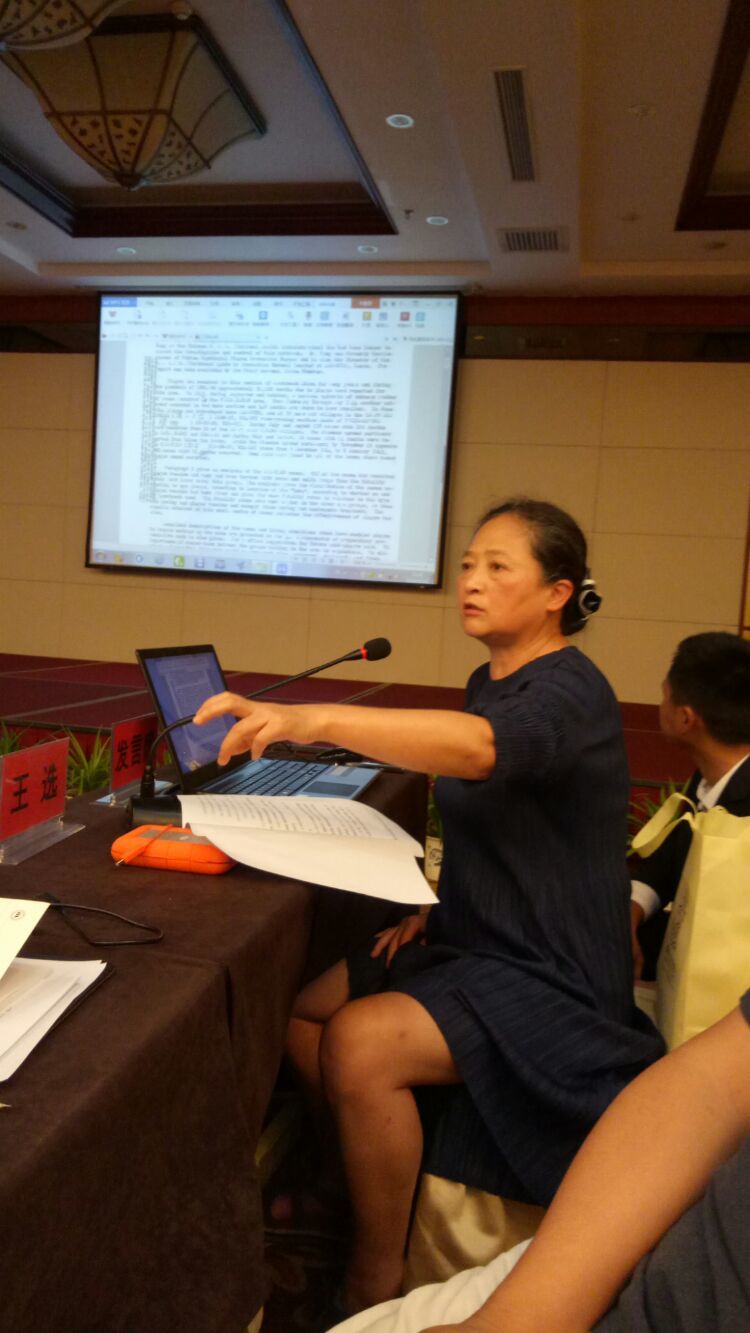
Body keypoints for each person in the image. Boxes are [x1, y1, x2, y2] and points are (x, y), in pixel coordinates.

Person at [194, 497, 664, 1316]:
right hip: (474, 934)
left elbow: (483, 752)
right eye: (467, 564)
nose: (470, 581)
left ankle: (378, 1272)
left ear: (557, 593)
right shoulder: (490, 681)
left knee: (361, 1042)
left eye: (497, 566)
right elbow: (509, 825)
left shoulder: (571, 688)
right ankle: (361, 1189)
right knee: (300, 1011)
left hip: (549, 965)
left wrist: (313, 716)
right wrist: (439, 905)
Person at [327, 987, 750, 1333]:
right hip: (612, 1276)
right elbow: (715, 1086)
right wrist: (513, 1321)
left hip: (552, 972)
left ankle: (370, 1280)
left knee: (360, 1043)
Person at [631, 633, 750, 980]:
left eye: (664, 696)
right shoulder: (708, 775)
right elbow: (669, 862)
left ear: (686, 719)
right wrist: (631, 912)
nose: (661, 705)